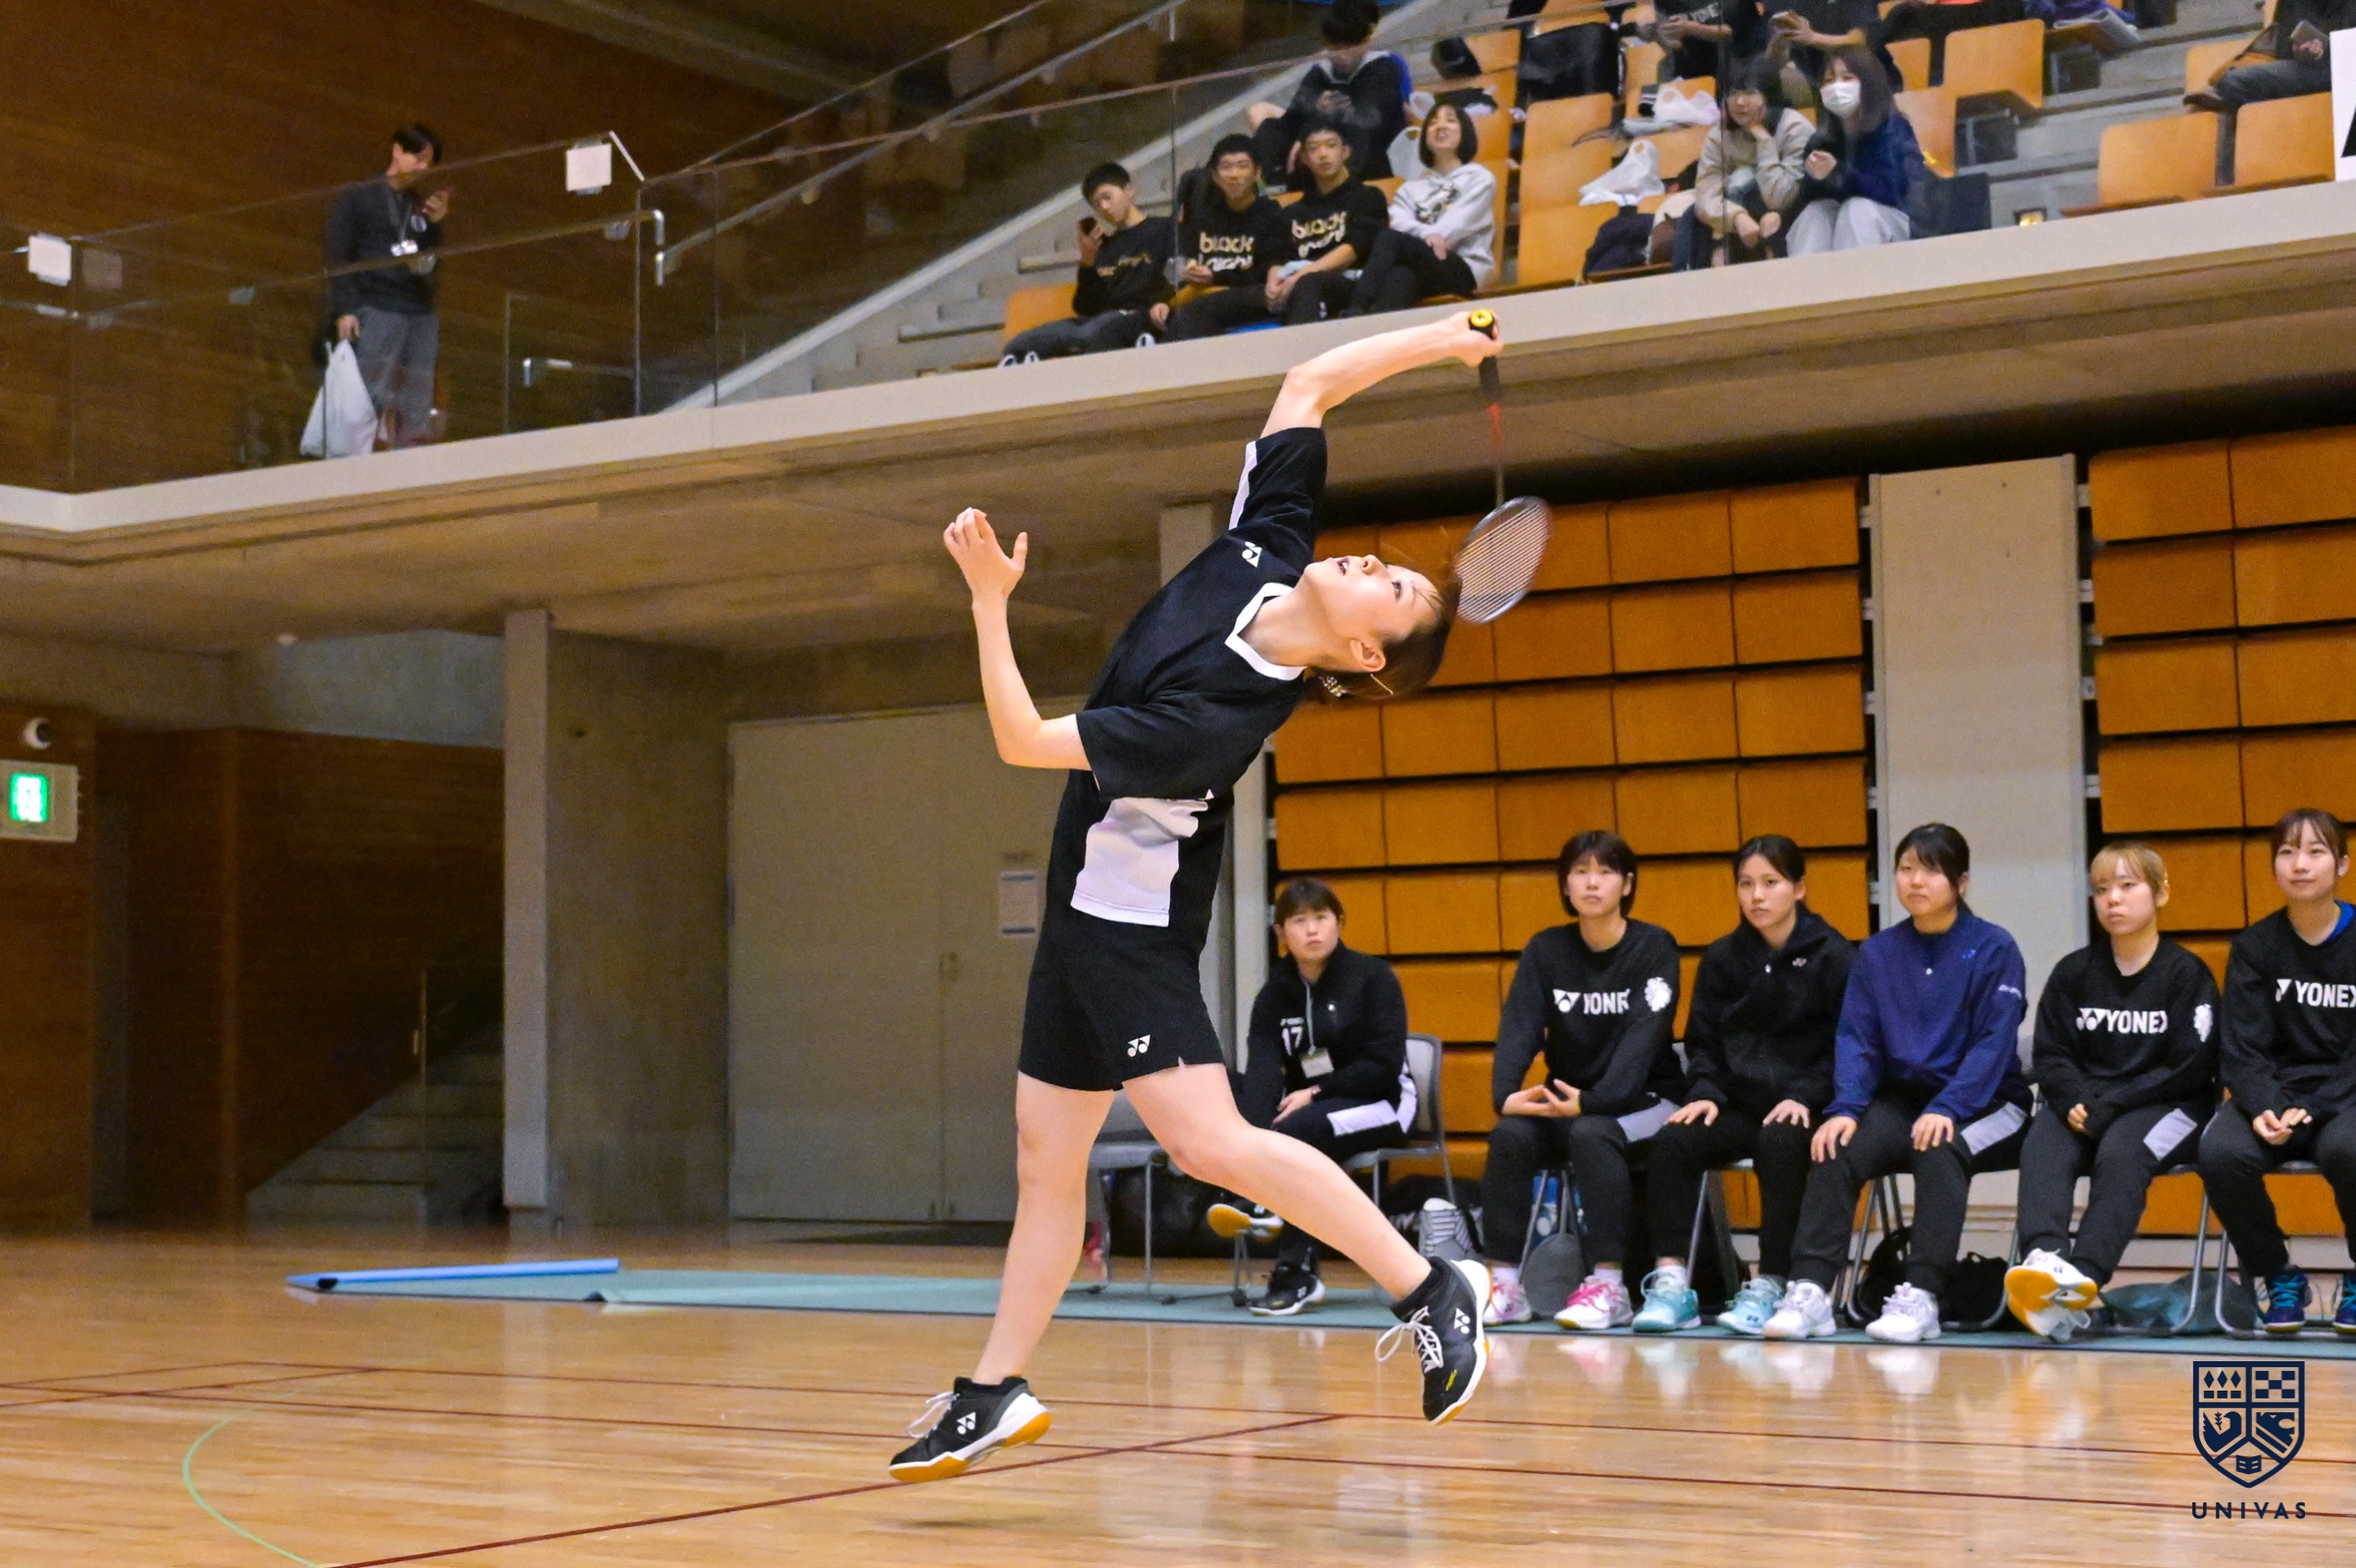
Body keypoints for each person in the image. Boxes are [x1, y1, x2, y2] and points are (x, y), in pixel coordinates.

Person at [889, 313, 1499, 1484]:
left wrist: (988, 600)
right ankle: (993, 1391)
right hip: (1078, 919)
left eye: (1393, 589)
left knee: (1208, 1141)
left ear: (1366, 656)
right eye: (1384, 561)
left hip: (1130, 932)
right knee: (1045, 1162)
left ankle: (1431, 1286)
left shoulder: (1218, 718)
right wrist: (1447, 338)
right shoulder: (1265, 546)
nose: (1370, 565)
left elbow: (1022, 740)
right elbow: (1308, 380)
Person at [1762, 823, 2034, 1344]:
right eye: (1906, 869)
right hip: (1904, 1100)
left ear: (1960, 882)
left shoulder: (1994, 947)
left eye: (1930, 870)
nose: (1915, 881)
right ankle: (1811, 1290)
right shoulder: (1878, 952)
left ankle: (1922, 1294)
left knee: (1940, 1145)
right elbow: (1857, 1037)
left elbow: (1993, 1044)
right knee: (1835, 1146)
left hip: (1986, 1102)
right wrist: (1846, 1108)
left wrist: (1949, 1106)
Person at [1635, 837, 1855, 1334]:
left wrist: (1806, 1095)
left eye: (1771, 883)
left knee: (1780, 1140)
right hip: (1736, 1102)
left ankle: (1773, 1280)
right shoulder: (1723, 957)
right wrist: (1704, 1091)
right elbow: (1702, 1041)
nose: (1757, 896)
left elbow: (1848, 1043)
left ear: (1799, 888)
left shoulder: (1835, 956)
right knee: (1673, 1141)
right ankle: (1672, 1283)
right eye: (1746, 884)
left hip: (1805, 1104)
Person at [2005, 842, 2219, 1341]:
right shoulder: (2074, 972)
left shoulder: (2186, 974)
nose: (2113, 899)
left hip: (2169, 1105)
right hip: (2088, 1102)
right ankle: (2046, 1264)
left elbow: (2190, 1065)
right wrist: (2073, 1099)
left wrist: (2115, 1103)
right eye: (2102, 889)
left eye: (2127, 886)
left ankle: (2084, 1281)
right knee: (2044, 1141)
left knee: (2123, 1153)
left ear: (2161, 893)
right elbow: (2053, 1053)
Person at [1479, 831, 1686, 1331]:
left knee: (1593, 1134)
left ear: (1627, 884)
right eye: (1580, 872)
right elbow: (1519, 1026)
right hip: (1569, 1098)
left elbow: (1642, 1040)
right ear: (1565, 884)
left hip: (1646, 1100)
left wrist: (1595, 1102)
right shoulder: (1546, 950)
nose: (1592, 883)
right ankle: (1504, 1286)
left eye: (1605, 872)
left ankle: (1610, 1286)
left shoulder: (1653, 947)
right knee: (1510, 1137)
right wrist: (1505, 1096)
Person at [1212, 878, 1416, 1315]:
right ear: (1281, 932)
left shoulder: (1372, 978)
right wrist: (1257, 1134)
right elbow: (1264, 1071)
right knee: (1218, 1085)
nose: (1311, 930)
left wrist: (1317, 1092)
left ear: (1339, 923)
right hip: (1309, 1105)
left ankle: (1289, 1258)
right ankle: (1262, 1202)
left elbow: (1382, 1067)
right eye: (1299, 920)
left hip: (1383, 1103)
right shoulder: (1273, 995)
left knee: (1301, 1132)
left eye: (1321, 918)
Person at [2197, 808, 2356, 1336]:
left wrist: (2315, 1108)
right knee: (2221, 1153)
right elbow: (2241, 1046)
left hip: (2345, 1096)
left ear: (2342, 864)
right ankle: (2278, 1274)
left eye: (2315, 851)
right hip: (2276, 1094)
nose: (2300, 864)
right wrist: (2264, 1105)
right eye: (2287, 852)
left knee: (2349, 1149)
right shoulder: (2255, 946)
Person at [324, 123, 448, 449]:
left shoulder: (417, 206)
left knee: (417, 402)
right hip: (378, 304)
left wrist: (434, 226)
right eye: (418, 158)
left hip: (419, 310)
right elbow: (339, 254)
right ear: (396, 150)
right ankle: (352, 465)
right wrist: (346, 309)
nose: (423, 167)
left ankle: (411, 468)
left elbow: (428, 260)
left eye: (429, 162)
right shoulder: (358, 195)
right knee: (368, 396)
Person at [1001, 163, 1174, 364]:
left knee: (1088, 334)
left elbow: (1175, 279)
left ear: (1129, 190)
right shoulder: (1103, 248)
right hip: (1100, 321)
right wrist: (1088, 262)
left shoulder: (1164, 229)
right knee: (1017, 345)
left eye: (1107, 197)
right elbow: (1085, 307)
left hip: (1140, 316)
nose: (1104, 207)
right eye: (1097, 204)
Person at [1347, 102, 1496, 316]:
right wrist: (1427, 234)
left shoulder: (1479, 178)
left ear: (1465, 132)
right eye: (1432, 122)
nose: (1440, 126)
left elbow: (1454, 228)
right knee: (1400, 276)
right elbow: (1398, 223)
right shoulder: (1410, 189)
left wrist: (1423, 235)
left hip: (1464, 269)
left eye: (1450, 120)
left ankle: (1356, 308)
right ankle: (1382, 331)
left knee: (1391, 239)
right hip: (1422, 266)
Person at [1248, 0, 1410, 189]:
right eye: (1335, 47)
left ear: (1366, 40)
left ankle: (1343, 187)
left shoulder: (1385, 67)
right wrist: (1316, 106)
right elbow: (1293, 113)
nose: (1343, 55)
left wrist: (1324, 121)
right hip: (1324, 143)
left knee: (1354, 133)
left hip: (1374, 153)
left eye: (1349, 46)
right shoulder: (1322, 71)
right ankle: (1269, 185)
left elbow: (1371, 120)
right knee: (1272, 127)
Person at [1787, 48, 1924, 257]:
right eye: (1829, 80)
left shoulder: (1893, 128)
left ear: (1868, 83)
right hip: (1840, 227)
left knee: (1857, 210)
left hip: (1896, 224)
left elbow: (1891, 191)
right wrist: (1817, 178)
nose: (1836, 87)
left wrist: (1838, 172)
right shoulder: (1821, 140)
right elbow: (1807, 197)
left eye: (1847, 78)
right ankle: (1805, 277)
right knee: (1815, 213)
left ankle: (1859, 277)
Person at [1161, 136, 1292, 342]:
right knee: (1156, 315)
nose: (1234, 174)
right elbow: (1183, 260)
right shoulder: (1203, 218)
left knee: (1194, 312)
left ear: (1257, 172)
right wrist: (1187, 271)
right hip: (1204, 297)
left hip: (1252, 295)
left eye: (1242, 166)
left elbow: (1269, 272)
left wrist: (1216, 278)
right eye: (1226, 167)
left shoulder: (1272, 215)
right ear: (1214, 175)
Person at [1684, 60, 1811, 268]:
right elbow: (1706, 193)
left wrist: (1765, 141)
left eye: (1750, 93)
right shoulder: (1719, 134)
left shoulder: (1794, 128)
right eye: (1733, 93)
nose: (1740, 102)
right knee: (1692, 216)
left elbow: (1780, 198)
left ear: (1769, 96)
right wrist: (1736, 217)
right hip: (1739, 211)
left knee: (1770, 215)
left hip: (1788, 209)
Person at [1268, 120, 1390, 327]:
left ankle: (1301, 348)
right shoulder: (1292, 212)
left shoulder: (1367, 197)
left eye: (1331, 145)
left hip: (1351, 283)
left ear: (1345, 152)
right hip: (1296, 281)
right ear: (1304, 158)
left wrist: (1300, 277)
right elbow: (1277, 255)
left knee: (1309, 283)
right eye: (1313, 148)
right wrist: (1273, 283)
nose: (1323, 154)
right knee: (1211, 305)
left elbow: (1354, 249)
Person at [2187, 0, 2356, 113]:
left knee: (2236, 83)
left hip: (2344, 69)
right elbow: (2286, 43)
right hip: (2314, 67)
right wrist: (2300, 47)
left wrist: (2327, 47)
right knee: (2232, 85)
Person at [1650, 0, 1767, 85]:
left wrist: (1691, 28)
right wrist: (1661, 36)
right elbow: (1672, 44)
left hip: (1742, 58)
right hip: (1694, 65)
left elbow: (1732, 32)